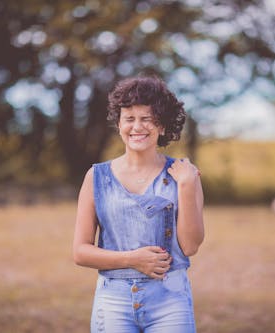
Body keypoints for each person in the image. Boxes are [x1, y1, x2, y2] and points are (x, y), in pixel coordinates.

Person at [73, 75, 204, 332]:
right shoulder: (96, 177)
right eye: (129, 119)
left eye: (147, 118)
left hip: (170, 301)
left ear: (163, 126)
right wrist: (132, 259)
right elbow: (80, 252)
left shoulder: (185, 175)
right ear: (119, 124)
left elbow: (190, 246)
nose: (137, 127)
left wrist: (187, 186)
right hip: (113, 302)